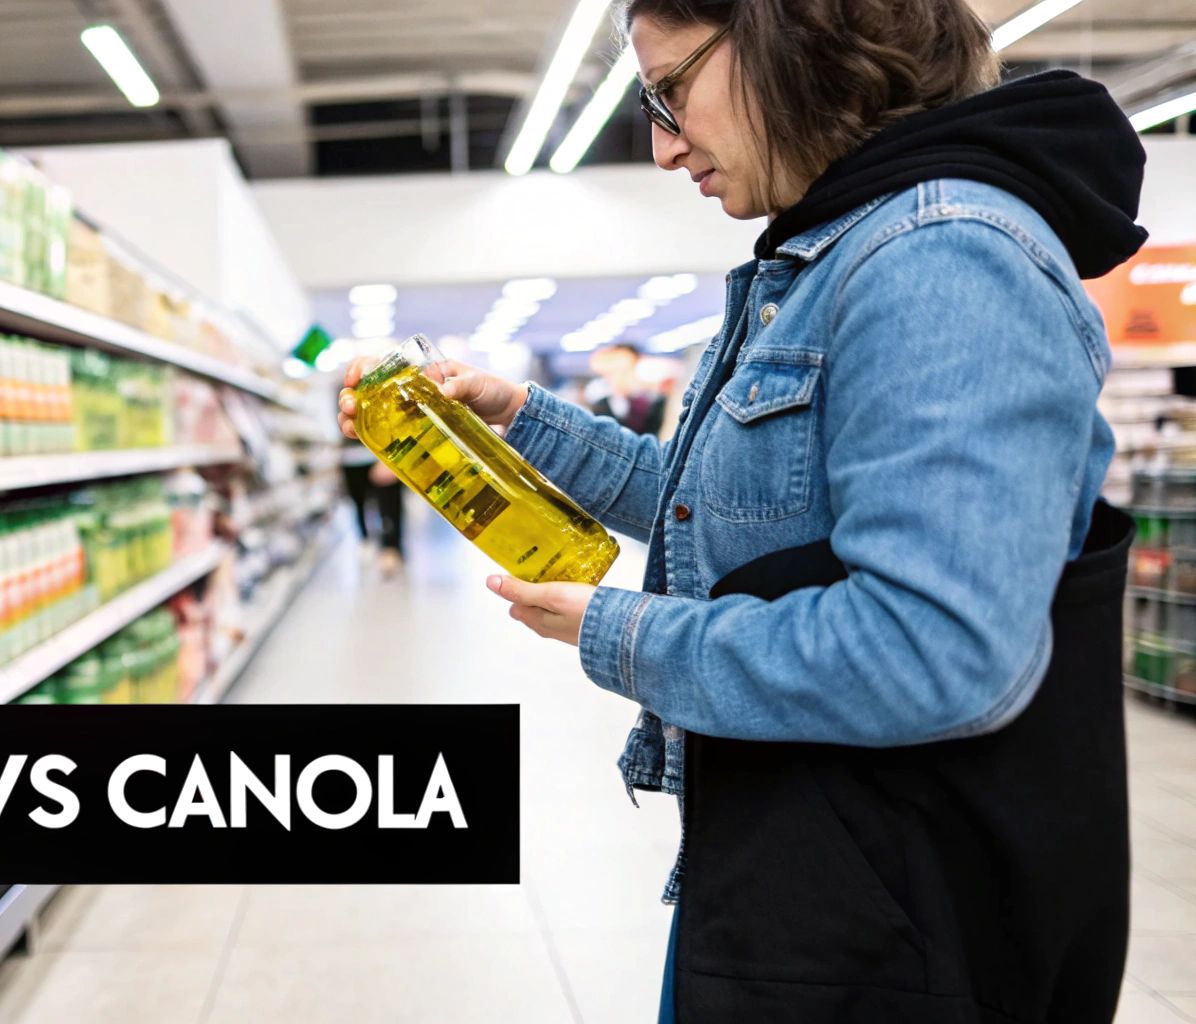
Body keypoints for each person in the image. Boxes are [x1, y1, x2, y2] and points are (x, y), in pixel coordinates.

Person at [338, 0, 1147, 1020]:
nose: (662, 144)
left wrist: (619, 633)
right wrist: (522, 426)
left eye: (669, 89)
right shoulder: (840, 246)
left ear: (796, 34)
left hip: (897, 919)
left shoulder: (941, 259)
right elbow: (725, 506)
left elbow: (932, 650)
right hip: (804, 865)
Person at [341, 439, 406, 577]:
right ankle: (365, 539)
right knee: (358, 503)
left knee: (389, 505)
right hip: (349, 457)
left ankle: (391, 547)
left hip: (379, 452)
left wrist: (388, 456)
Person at [585, 343, 667, 437]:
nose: (620, 375)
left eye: (626, 369)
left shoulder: (653, 401)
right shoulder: (600, 405)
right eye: (614, 370)